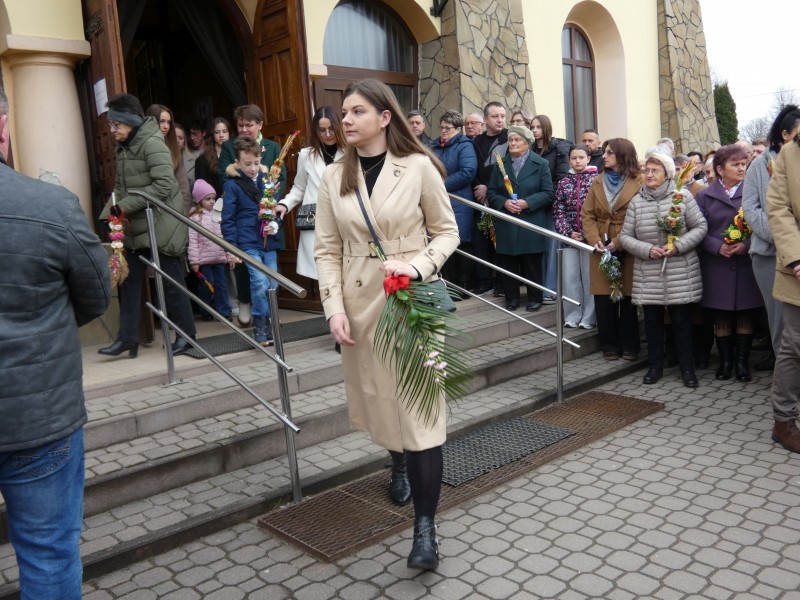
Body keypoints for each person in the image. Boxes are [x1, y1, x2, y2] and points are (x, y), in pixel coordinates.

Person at [315, 79, 459, 571]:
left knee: (421, 411)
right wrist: (333, 307)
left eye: (356, 111)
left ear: (384, 117)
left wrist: (417, 267)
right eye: (344, 112)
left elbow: (447, 233)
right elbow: (327, 250)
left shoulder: (418, 167)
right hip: (359, 303)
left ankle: (425, 530)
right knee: (379, 398)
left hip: (413, 299)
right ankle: (397, 461)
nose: (345, 120)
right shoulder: (333, 175)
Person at [0, 85, 111, 600]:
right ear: (4, 127)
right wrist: (46, 324)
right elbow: (96, 294)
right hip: (39, 417)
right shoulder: (50, 205)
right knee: (48, 554)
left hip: (39, 416)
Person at [99, 93, 197, 358]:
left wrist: (123, 208)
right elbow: (120, 187)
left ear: (130, 121)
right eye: (110, 125)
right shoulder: (124, 146)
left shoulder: (153, 143)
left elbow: (164, 185)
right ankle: (127, 339)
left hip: (162, 225)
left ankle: (186, 336)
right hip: (139, 225)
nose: (111, 130)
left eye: (115, 124)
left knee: (171, 282)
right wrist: (108, 214)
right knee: (129, 282)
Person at [619, 151, 707, 388]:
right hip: (649, 271)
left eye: (655, 170)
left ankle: (687, 369)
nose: (649, 174)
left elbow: (700, 227)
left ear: (667, 174)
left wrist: (678, 246)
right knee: (652, 323)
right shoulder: (637, 201)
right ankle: (655, 367)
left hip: (680, 269)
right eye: (647, 170)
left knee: (682, 323)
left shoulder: (682, 196)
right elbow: (625, 236)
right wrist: (647, 249)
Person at [695, 144, 764, 382]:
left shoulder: (754, 193)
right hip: (717, 265)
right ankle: (726, 362)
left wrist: (747, 244)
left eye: (744, 164)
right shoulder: (704, 196)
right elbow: (697, 229)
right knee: (721, 316)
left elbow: (765, 224)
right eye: (735, 164)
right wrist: (716, 246)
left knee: (745, 314)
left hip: (746, 264)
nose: (742, 168)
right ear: (720, 170)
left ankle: (742, 363)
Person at [218, 104, 287, 327]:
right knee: (249, 272)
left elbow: (280, 177)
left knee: (271, 278)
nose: (244, 129)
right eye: (240, 125)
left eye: (249, 125)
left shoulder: (272, 147)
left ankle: (269, 314)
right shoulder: (230, 147)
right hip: (244, 220)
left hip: (267, 220)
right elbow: (224, 176)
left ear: (259, 125)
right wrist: (249, 190)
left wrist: (270, 201)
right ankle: (249, 307)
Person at [743, 105, 800, 373]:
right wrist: (783, 236)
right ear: (784, 134)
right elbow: (751, 209)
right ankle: (784, 373)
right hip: (768, 254)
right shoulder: (759, 164)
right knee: (779, 318)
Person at [581, 138, 643, 360]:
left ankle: (630, 346)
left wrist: (619, 240)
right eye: (604, 152)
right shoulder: (597, 181)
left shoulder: (639, 180)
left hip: (628, 244)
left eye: (609, 153)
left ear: (623, 155)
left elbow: (641, 215)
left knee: (627, 298)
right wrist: (594, 239)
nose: (604, 156)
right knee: (603, 298)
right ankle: (608, 345)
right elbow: (587, 214)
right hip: (601, 245)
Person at [487, 125, 554, 311]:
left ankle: (535, 298)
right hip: (507, 221)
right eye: (511, 140)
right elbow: (491, 192)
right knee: (508, 262)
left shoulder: (541, 164)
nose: (513, 143)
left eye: (517, 140)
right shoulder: (500, 164)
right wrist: (504, 202)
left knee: (532, 262)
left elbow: (548, 192)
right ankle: (512, 299)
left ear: (528, 143)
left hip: (531, 220)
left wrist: (527, 202)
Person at [276, 106, 346, 281]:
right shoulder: (306, 155)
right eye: (322, 130)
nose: (327, 134)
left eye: (332, 129)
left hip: (345, 218)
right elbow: (299, 187)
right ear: (316, 131)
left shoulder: (352, 152)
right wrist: (285, 204)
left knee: (347, 272)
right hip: (316, 220)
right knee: (323, 275)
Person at [765, 127, 800, 453]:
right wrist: (796, 257)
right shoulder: (791, 152)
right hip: (798, 269)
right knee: (795, 345)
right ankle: (784, 422)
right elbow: (778, 208)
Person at [431, 109, 478, 294]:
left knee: (462, 242)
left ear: (458, 129)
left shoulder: (465, 145)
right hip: (439, 201)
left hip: (460, 201)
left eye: (448, 128)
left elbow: (468, 171)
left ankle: (464, 285)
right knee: (442, 241)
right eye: (441, 127)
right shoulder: (435, 146)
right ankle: (450, 286)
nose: (443, 131)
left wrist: (439, 185)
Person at [552, 144, 598, 328]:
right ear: (569, 160)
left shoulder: (597, 181)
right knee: (570, 278)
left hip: (590, 240)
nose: (577, 161)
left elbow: (599, 211)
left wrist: (588, 233)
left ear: (588, 159)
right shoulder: (564, 183)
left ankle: (589, 317)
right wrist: (568, 232)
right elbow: (558, 210)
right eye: (574, 158)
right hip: (570, 239)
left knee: (589, 278)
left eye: (581, 157)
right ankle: (572, 316)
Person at [531, 114, 572, 304]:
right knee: (537, 248)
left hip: (551, 206)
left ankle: (551, 289)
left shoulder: (559, 150)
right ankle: (538, 288)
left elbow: (560, 178)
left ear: (546, 128)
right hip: (534, 206)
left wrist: (542, 199)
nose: (534, 130)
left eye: (538, 127)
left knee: (551, 246)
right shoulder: (530, 149)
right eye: (532, 127)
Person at [471, 101, 508, 295]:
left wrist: (488, 187)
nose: (500, 120)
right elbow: (471, 167)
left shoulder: (510, 138)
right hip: (478, 199)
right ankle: (484, 283)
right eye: (495, 116)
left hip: (500, 198)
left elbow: (507, 170)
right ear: (485, 120)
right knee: (480, 242)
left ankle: (502, 284)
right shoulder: (475, 141)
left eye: (502, 116)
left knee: (501, 243)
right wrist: (479, 186)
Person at [188, 179, 235, 321]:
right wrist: (194, 261)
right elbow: (193, 241)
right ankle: (206, 310)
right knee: (207, 286)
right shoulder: (195, 218)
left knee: (222, 286)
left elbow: (225, 238)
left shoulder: (219, 215)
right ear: (199, 200)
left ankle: (224, 312)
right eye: (208, 199)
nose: (212, 201)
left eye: (213, 198)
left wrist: (230, 256)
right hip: (204, 260)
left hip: (219, 258)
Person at [145, 104, 192, 213]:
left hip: (173, 210)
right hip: (149, 206)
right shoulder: (142, 146)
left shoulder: (173, 147)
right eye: (162, 121)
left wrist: (184, 214)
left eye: (168, 122)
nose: (166, 126)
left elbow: (183, 187)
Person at [195, 116, 231, 195]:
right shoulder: (202, 160)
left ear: (229, 133)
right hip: (214, 200)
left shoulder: (238, 154)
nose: (221, 135)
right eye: (217, 132)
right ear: (212, 135)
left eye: (224, 131)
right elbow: (201, 190)